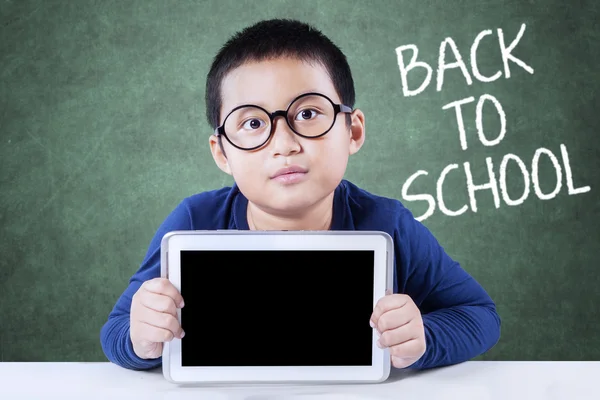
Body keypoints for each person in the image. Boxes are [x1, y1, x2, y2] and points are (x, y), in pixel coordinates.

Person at [100, 18, 501, 372]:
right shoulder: (193, 221)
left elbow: (479, 316)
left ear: (353, 131)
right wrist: (141, 338)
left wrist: (424, 337)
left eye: (307, 114)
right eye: (253, 123)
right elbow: (117, 330)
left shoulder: (390, 225)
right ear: (222, 152)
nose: (284, 144)